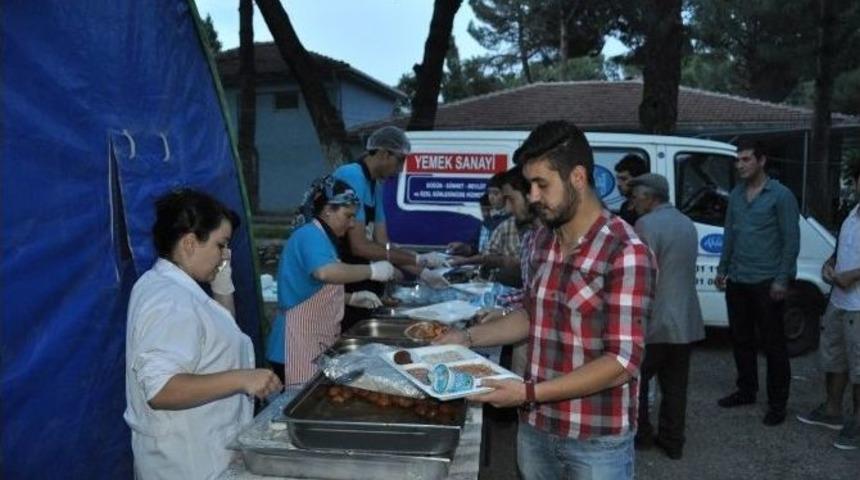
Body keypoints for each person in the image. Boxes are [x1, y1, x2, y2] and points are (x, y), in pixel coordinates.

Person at [438, 120, 655, 479]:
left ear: (578, 178)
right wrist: (465, 338)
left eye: (542, 184)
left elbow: (622, 362)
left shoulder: (625, 251)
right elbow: (532, 315)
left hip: (595, 440)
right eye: (530, 185)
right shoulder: (539, 241)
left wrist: (526, 392)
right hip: (537, 428)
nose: (533, 196)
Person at [124, 189, 283, 480]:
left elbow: (219, 341)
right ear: (189, 243)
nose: (224, 257)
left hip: (204, 452)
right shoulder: (168, 300)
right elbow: (161, 390)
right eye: (220, 246)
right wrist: (243, 379)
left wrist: (223, 288)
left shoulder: (172, 285)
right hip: (188, 462)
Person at [265, 177, 395, 384]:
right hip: (294, 344)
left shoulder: (324, 238)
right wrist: (372, 271)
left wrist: (350, 298)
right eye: (348, 216)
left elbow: (310, 287)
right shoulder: (309, 235)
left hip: (313, 340)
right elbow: (325, 273)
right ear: (327, 210)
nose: (352, 224)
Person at [715, 141, 800, 426]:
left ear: (761, 161)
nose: (740, 165)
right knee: (741, 339)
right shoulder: (737, 194)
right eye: (738, 160)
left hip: (767, 282)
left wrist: (781, 279)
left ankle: (778, 404)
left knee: (773, 345)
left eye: (746, 159)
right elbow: (730, 233)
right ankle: (746, 390)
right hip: (738, 278)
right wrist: (722, 268)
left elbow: (791, 240)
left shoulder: (781, 195)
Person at [333, 126, 449, 331]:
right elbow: (359, 246)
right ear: (385, 153)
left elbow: (382, 242)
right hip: (344, 280)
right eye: (400, 160)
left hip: (362, 281)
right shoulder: (351, 176)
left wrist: (421, 271)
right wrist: (416, 259)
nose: (401, 169)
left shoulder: (375, 185)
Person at [628, 173, 705, 460]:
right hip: (684, 319)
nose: (633, 202)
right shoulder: (687, 223)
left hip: (655, 319)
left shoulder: (646, 224)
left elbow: (642, 274)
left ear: (651, 197)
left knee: (637, 381)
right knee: (675, 385)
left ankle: (642, 434)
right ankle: (673, 441)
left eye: (636, 196)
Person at [796, 164, 860, 450]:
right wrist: (829, 265)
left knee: (859, 366)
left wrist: (853, 275)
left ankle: (857, 424)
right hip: (839, 301)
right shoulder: (852, 215)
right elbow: (840, 251)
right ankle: (832, 410)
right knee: (834, 358)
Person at [449, 166, 538, 288]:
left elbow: (514, 265)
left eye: (510, 199)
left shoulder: (547, 236)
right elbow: (489, 254)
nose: (508, 208)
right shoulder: (519, 229)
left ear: (530, 197)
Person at [447, 172, 510, 256]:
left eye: (496, 193)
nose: (491, 197)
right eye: (489, 193)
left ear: (507, 194)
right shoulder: (488, 221)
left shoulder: (511, 221)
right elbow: (477, 248)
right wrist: (464, 248)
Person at [613, 153, 649, 226]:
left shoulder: (645, 207)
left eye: (624, 179)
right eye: (618, 179)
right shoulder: (625, 206)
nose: (619, 184)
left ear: (638, 179)